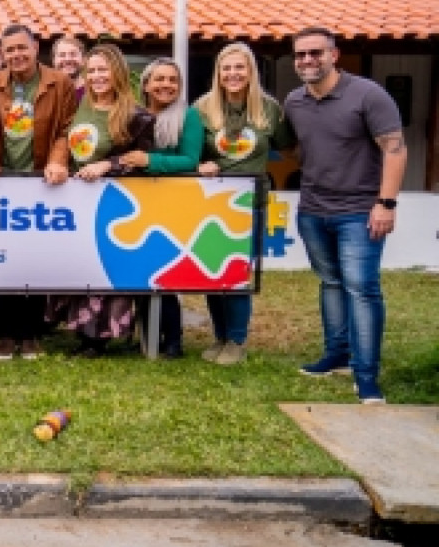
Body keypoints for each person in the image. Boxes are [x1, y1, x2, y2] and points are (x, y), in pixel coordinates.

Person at [285, 27, 406, 404]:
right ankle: (336, 354)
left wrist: (385, 204)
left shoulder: (367, 95)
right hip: (312, 210)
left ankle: (366, 374)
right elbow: (293, 147)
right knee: (330, 283)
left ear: (334, 55)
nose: (307, 60)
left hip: (359, 212)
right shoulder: (293, 101)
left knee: (362, 290)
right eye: (301, 54)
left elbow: (395, 149)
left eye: (315, 53)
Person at [0, 24, 77, 360]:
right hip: (3, 184)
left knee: (36, 259)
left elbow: (66, 129)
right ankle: (5, 333)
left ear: (35, 48)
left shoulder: (58, 83)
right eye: (10, 50)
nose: (16, 55)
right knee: (3, 259)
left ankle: (31, 333)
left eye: (22, 48)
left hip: (42, 182)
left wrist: (58, 161)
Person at [47, 43, 154, 358]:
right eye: (91, 70)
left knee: (105, 270)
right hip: (75, 202)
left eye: (103, 70)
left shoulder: (137, 116)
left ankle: (99, 338)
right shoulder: (77, 106)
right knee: (78, 265)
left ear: (118, 72)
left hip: (114, 202)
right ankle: (79, 331)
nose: (96, 76)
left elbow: (141, 160)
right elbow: (64, 142)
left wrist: (109, 165)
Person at [194, 41, 293, 365]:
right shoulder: (202, 109)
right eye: (227, 68)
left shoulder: (268, 109)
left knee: (237, 272)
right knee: (213, 271)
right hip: (211, 203)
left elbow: (288, 146)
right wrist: (198, 167)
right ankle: (219, 336)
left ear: (251, 71)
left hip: (251, 203)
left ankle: (236, 340)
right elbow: (192, 154)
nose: (233, 74)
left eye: (240, 67)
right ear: (218, 73)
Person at [119, 57, 204, 359]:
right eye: (159, 79)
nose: (166, 85)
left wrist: (150, 161)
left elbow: (190, 160)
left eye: (172, 80)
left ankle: (172, 340)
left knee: (163, 273)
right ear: (146, 83)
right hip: (134, 201)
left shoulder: (189, 116)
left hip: (170, 202)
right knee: (137, 270)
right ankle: (145, 334)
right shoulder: (131, 115)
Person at [51, 36, 86, 100]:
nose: (68, 59)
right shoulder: (45, 92)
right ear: (54, 61)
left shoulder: (93, 93)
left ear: (84, 60)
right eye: (62, 55)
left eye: (73, 54)